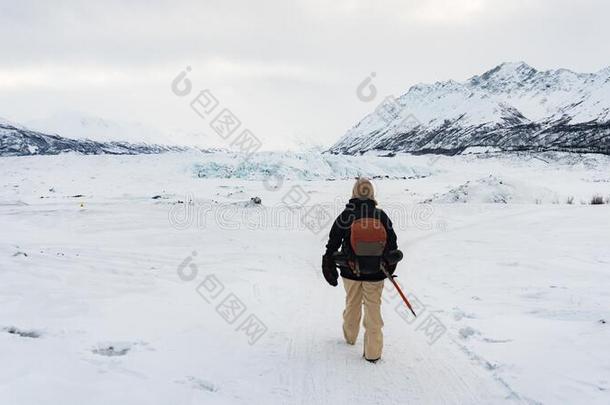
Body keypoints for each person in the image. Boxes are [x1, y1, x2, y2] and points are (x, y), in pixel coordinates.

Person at [322, 177, 398, 363]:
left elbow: (332, 244)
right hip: (376, 273)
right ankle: (373, 353)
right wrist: (388, 268)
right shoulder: (381, 215)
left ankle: (350, 336)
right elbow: (392, 245)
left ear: (354, 192)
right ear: (371, 193)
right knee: (373, 309)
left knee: (352, 304)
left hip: (350, 272)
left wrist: (328, 264)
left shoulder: (345, 216)